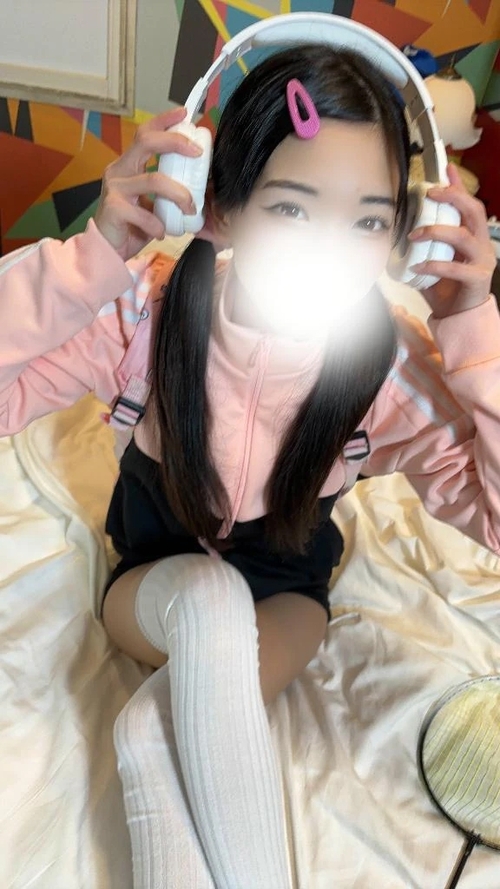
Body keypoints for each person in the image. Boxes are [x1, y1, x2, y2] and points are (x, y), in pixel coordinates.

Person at [1, 43, 498, 889]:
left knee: (157, 724)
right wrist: (87, 261)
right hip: (152, 587)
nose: (331, 250)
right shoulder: (141, 314)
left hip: (287, 602)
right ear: (216, 206)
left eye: (368, 221)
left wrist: (476, 333)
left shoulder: (390, 366)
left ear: (404, 240)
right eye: (293, 207)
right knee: (206, 598)